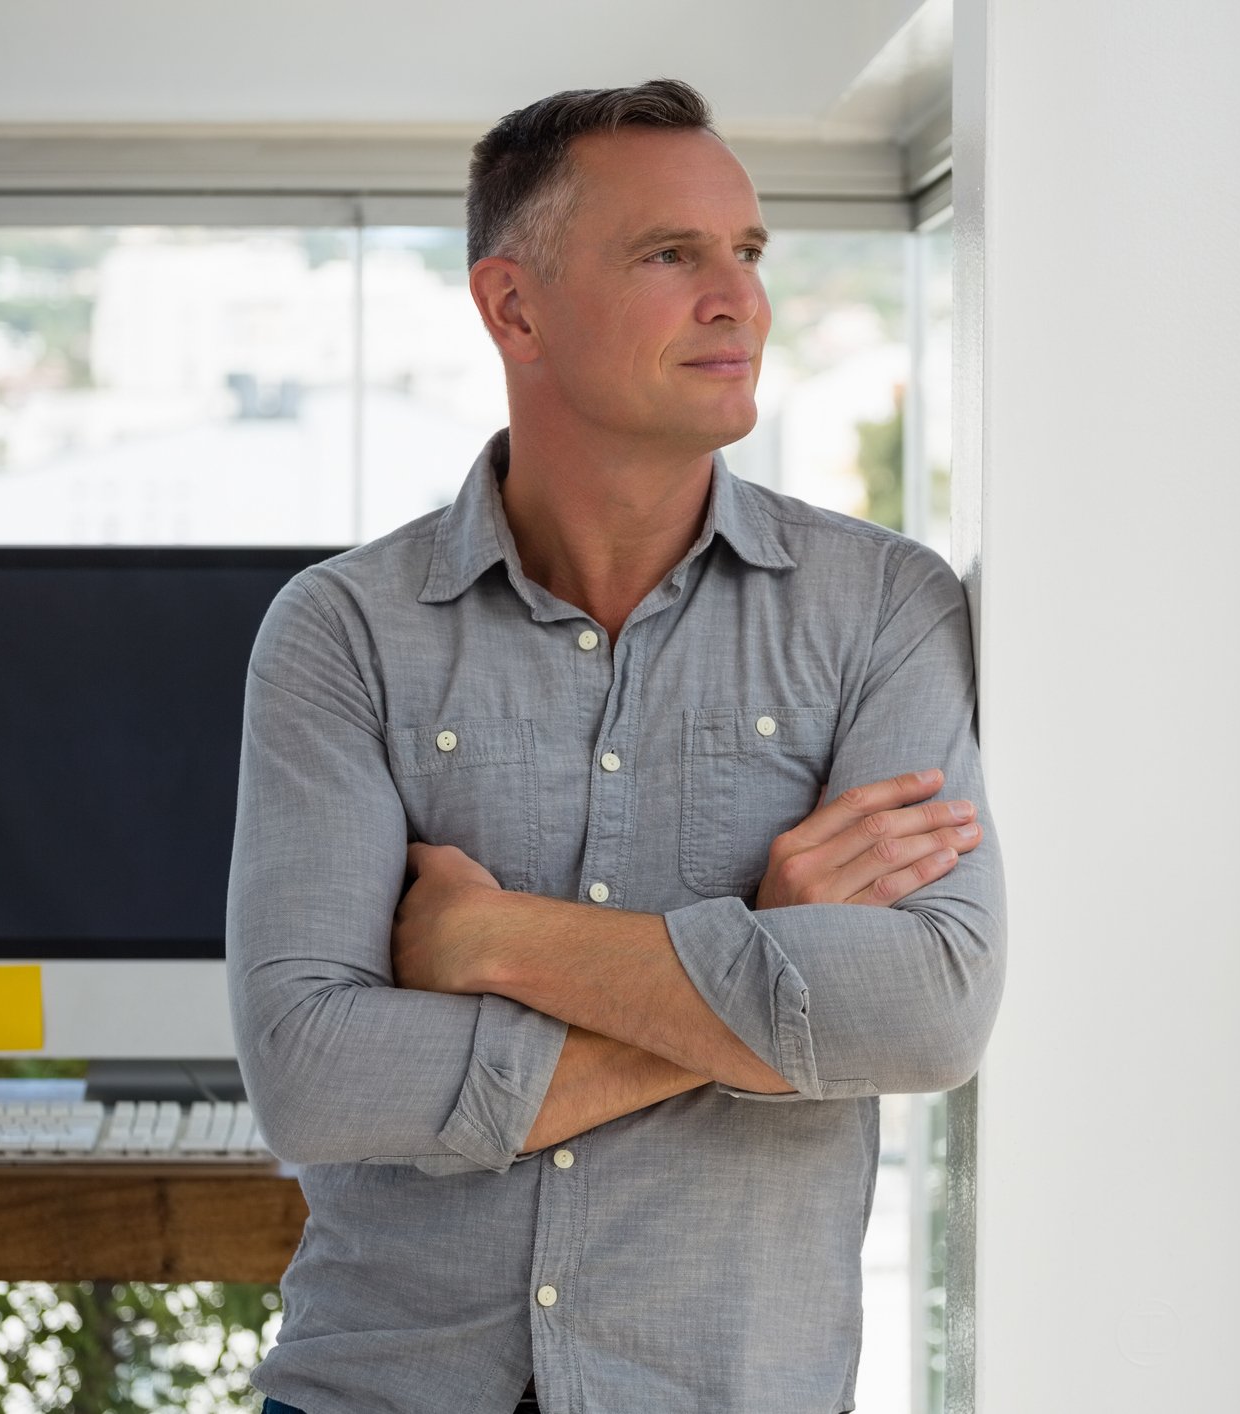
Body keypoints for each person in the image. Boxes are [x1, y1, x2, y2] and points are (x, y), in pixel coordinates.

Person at [225, 78, 1005, 1414]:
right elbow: (313, 1073)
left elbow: (927, 1009)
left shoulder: (882, 606)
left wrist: (496, 942)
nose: (738, 298)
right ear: (510, 306)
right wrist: (760, 940)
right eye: (671, 254)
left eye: (748, 253)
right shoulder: (342, 631)